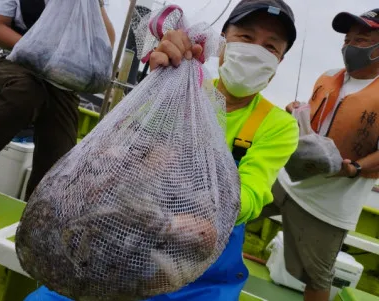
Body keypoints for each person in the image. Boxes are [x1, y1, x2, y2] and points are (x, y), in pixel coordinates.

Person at [24, 0, 299, 300]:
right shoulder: (186, 89)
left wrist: (195, 221)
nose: (256, 51)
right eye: (246, 37)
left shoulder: (278, 124)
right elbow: (131, 150)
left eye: (271, 47)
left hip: (205, 272)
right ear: (221, 43)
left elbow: (252, 193)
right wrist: (161, 77)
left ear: (279, 61)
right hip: (125, 245)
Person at [265, 8, 379, 301]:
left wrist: (353, 167)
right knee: (234, 214)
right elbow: (316, 121)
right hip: (285, 181)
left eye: (362, 40)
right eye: (347, 38)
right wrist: (296, 113)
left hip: (328, 206)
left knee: (316, 278)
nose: (350, 46)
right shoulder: (328, 76)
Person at [0, 0, 115, 201]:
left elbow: (106, 41)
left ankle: (39, 210)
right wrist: (41, 52)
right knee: (24, 92)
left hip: (61, 82)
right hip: (18, 64)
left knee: (58, 162)